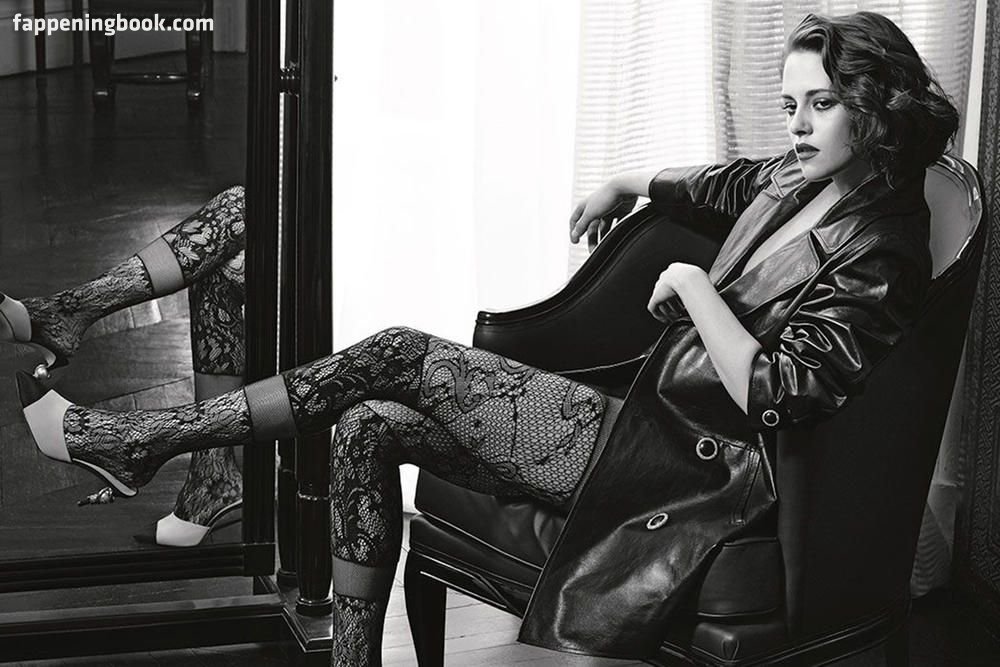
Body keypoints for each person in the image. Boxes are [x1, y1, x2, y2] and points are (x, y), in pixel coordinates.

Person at [6, 10, 960, 665]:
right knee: (368, 422)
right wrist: (627, 182)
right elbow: (719, 183)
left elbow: (784, 393)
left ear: (874, 106)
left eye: (819, 104)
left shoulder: (885, 248)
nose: (796, 126)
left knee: (400, 351)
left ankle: (139, 438)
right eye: (789, 105)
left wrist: (696, 289)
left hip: (696, 468)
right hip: (644, 424)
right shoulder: (799, 178)